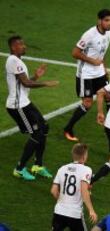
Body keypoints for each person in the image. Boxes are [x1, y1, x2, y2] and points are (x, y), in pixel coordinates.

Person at [5, 35, 59, 180]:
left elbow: (25, 82)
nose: (24, 46)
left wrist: (35, 77)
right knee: (36, 134)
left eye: (24, 44)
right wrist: (45, 83)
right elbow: (26, 83)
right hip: (17, 106)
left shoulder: (18, 61)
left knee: (44, 127)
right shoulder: (13, 60)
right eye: (20, 44)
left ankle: (38, 166)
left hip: (24, 102)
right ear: (13, 47)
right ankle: (19, 168)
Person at [64, 9, 110, 142]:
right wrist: (93, 61)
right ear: (99, 21)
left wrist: (104, 68)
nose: (109, 23)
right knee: (87, 103)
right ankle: (68, 128)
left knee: (109, 96)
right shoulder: (89, 35)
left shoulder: (109, 33)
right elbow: (75, 53)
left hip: (99, 72)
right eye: (106, 20)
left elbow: (103, 53)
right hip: (85, 73)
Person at [51, 143, 97, 231]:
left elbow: (53, 191)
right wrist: (91, 210)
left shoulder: (62, 168)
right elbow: (84, 191)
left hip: (59, 211)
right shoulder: (86, 170)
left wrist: (63, 203)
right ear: (84, 156)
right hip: (74, 214)